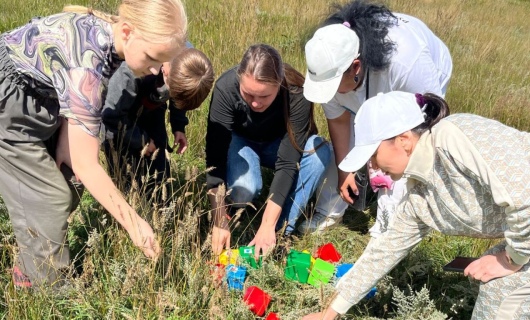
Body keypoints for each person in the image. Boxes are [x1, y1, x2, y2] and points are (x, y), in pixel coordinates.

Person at [0, 0, 187, 289]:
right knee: (52, 199)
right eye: (151, 59)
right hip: (9, 106)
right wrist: (135, 224)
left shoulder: (108, 39)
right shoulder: (88, 64)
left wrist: (65, 136)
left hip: (39, 100)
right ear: (127, 31)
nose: (153, 71)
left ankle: (31, 256)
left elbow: (63, 81)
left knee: (70, 181)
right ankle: (44, 286)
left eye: (159, 63)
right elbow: (87, 164)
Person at [302, 91, 530, 320]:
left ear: (403, 140)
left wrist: (511, 259)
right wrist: (329, 313)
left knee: (501, 288)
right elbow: (384, 251)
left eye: (373, 155)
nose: (372, 166)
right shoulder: (420, 196)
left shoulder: (453, 137)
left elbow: (524, 196)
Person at [300, 0, 452, 233]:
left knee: (399, 154)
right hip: (368, 81)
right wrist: (345, 171)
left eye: (334, 86)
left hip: (418, 89)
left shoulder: (406, 62)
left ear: (356, 66)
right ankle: (328, 213)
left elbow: (422, 131)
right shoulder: (328, 68)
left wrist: (386, 163)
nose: (328, 94)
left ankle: (392, 227)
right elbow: (340, 121)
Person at [206, 44, 331, 258]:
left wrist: (267, 224)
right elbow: (214, 158)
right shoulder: (225, 89)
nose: (255, 103)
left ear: (279, 84)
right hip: (242, 142)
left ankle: (279, 231)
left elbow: (288, 163)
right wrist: (218, 220)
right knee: (245, 189)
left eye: (264, 96)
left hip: (280, 144)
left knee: (320, 152)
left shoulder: (296, 92)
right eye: (248, 94)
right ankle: (236, 210)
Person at [102, 47, 214, 206]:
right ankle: (126, 213)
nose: (172, 95)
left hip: (152, 111)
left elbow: (179, 98)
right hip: (117, 117)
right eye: (172, 91)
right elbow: (111, 118)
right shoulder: (132, 71)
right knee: (125, 179)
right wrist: (141, 141)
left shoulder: (188, 64)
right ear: (165, 69)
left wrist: (178, 126)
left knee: (159, 172)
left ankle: (160, 208)